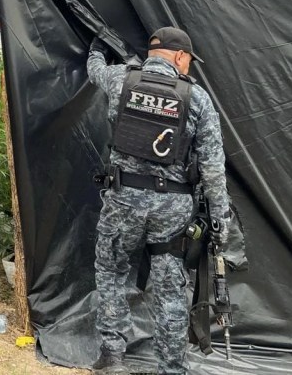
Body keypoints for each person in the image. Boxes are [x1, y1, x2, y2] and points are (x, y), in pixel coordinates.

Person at [86, 27, 231, 375]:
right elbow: (212, 165)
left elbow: (94, 69)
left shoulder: (119, 78)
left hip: (123, 201)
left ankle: (112, 355)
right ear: (180, 57)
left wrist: (96, 45)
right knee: (169, 288)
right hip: (172, 208)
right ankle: (171, 367)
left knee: (111, 272)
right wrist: (220, 217)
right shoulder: (197, 99)